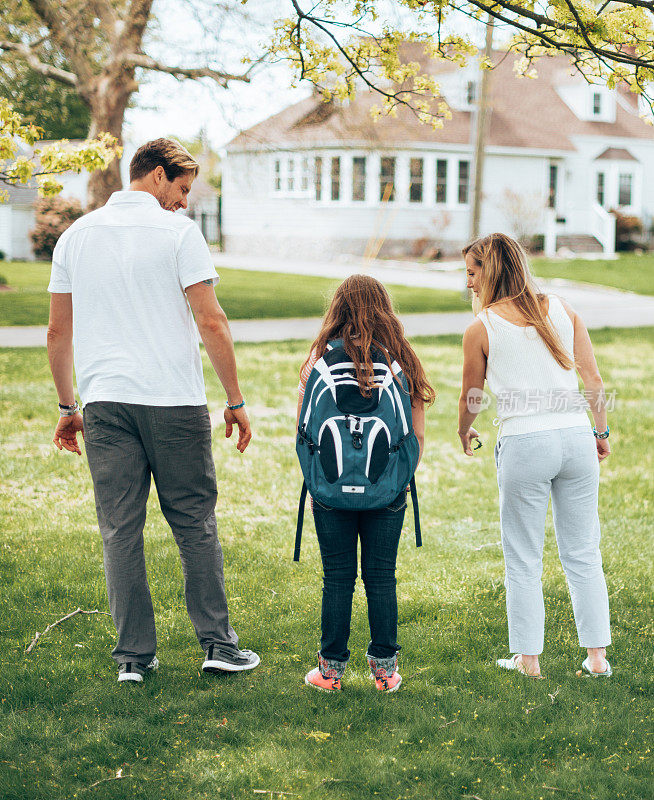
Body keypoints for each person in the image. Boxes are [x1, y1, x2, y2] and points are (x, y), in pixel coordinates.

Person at [47, 138, 260, 683]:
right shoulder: (178, 235)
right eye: (183, 189)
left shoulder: (75, 236)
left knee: (120, 529)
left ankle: (133, 659)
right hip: (173, 403)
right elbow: (211, 321)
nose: (185, 202)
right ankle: (217, 645)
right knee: (193, 524)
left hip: (105, 405)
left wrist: (69, 405)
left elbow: (57, 331)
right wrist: (235, 399)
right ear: (159, 176)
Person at [458, 232, 612, 679]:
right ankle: (597, 659)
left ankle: (528, 661)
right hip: (576, 438)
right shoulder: (562, 309)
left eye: (471, 273)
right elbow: (594, 382)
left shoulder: (481, 327)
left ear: (490, 271)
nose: (468, 283)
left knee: (523, 555)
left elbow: (472, 396)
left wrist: (465, 431)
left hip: (526, 443)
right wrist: (600, 432)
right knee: (584, 551)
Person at [297, 275, 434, 692]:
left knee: (336, 576)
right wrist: (396, 478)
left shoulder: (318, 360)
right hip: (387, 490)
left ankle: (330, 672)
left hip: (330, 491)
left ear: (336, 308)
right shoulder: (402, 362)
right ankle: (385, 673)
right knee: (381, 575)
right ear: (384, 309)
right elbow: (418, 435)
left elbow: (304, 430)